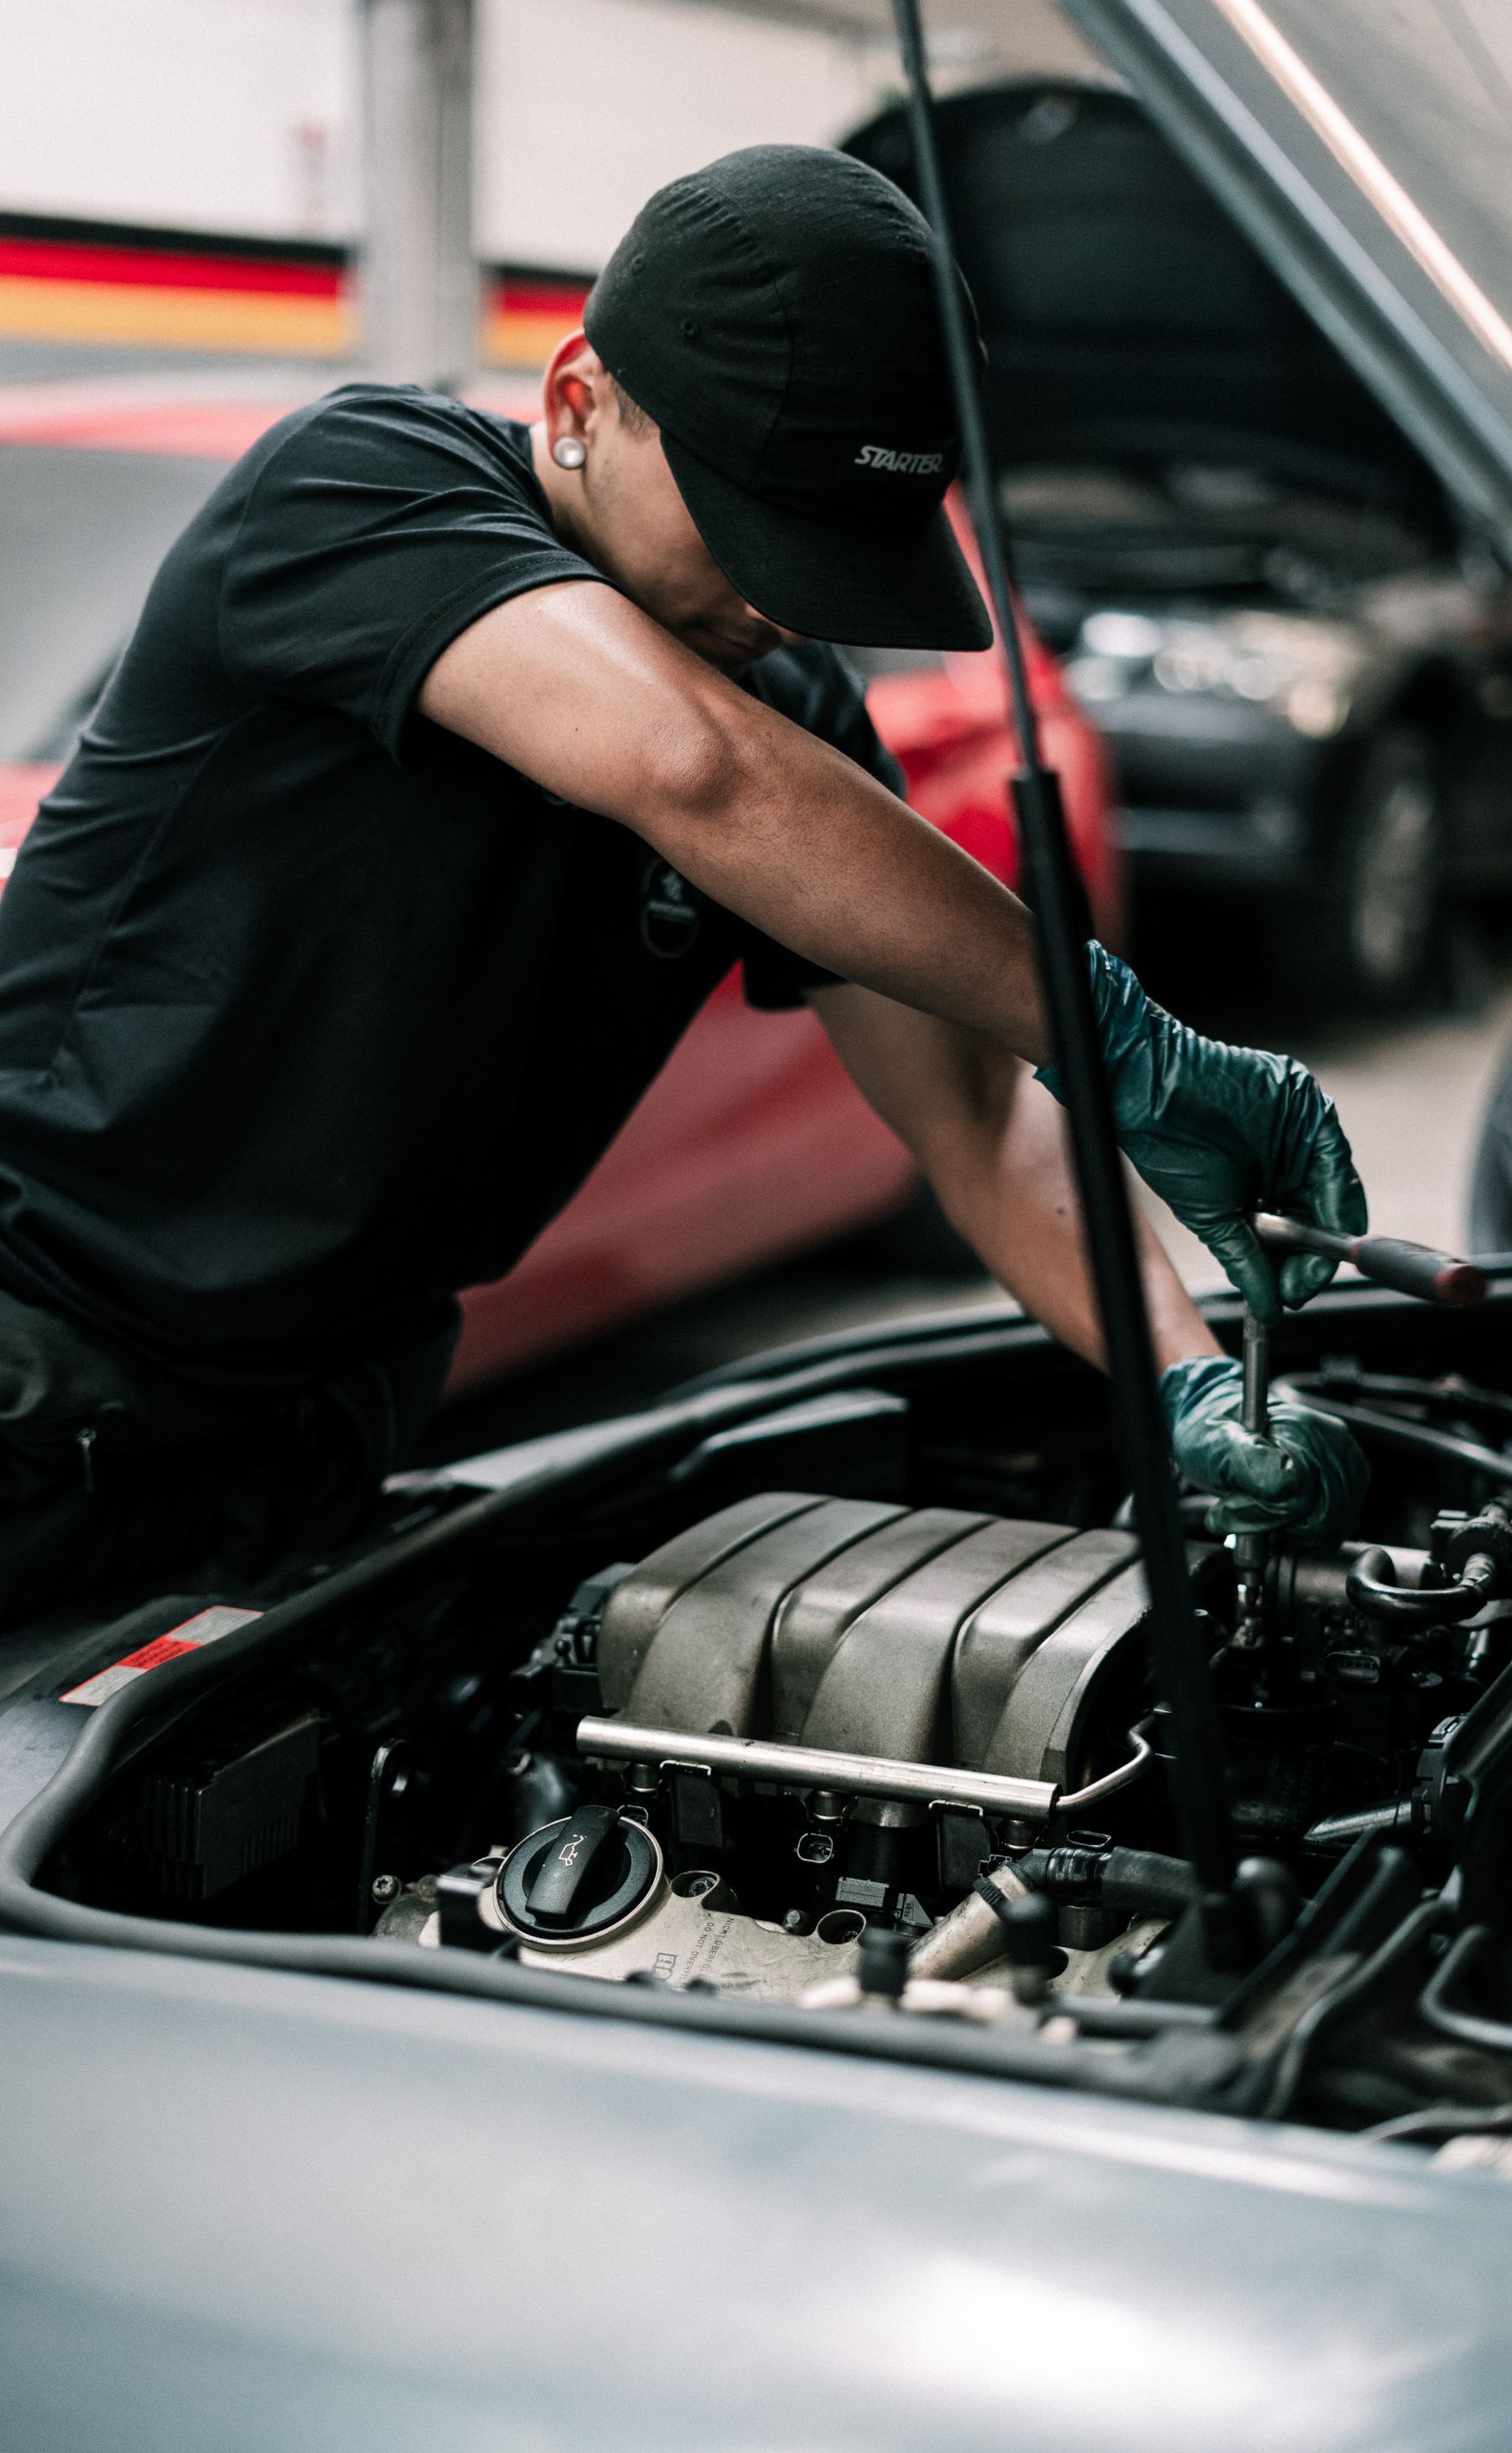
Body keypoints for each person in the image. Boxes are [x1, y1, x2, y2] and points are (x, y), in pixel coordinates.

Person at [0, 143, 1365, 1616]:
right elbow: (688, 767)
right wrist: (1124, 1039)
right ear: (578, 401)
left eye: (835, 554)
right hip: (37, 1366)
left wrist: (1187, 1381)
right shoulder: (359, 490)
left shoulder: (787, 703)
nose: (784, 602)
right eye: (752, 525)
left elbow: (969, 1112)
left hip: (315, 1435)